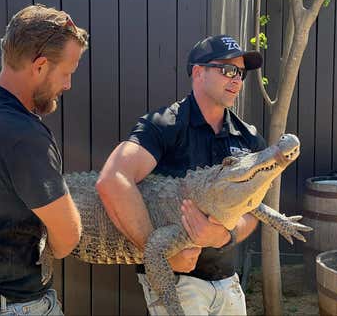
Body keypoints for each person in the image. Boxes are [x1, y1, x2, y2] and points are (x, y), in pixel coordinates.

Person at [96, 35, 266, 315]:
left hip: (227, 280)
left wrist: (223, 235)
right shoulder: (163, 126)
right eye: (228, 70)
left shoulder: (248, 138)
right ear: (198, 72)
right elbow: (113, 179)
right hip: (177, 283)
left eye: (241, 73)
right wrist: (163, 254)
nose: (237, 79)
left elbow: (251, 210)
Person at [0, 4, 88, 315]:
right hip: (13, 305)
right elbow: (67, 237)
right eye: (67, 72)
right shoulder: (22, 133)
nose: (67, 85)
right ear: (39, 65)